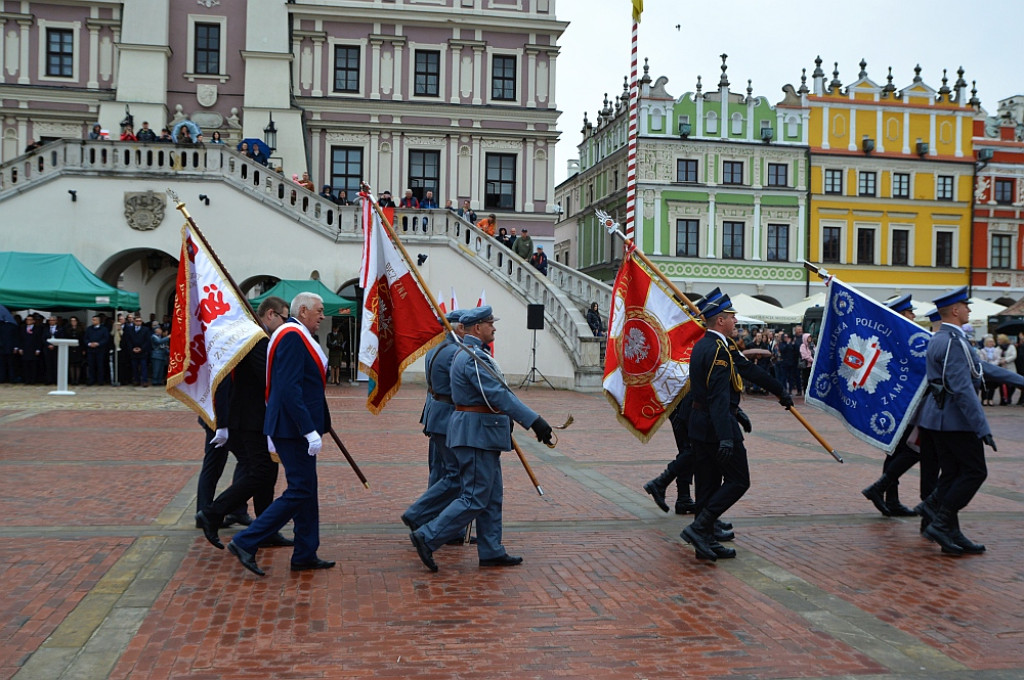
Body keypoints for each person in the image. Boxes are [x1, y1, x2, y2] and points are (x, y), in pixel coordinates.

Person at [408, 306, 553, 572]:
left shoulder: (472, 354)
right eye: (489, 323)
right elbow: (497, 395)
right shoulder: (472, 358)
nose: (494, 327)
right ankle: (428, 536)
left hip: (483, 434)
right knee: (474, 496)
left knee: (492, 495)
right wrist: (534, 421)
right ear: (477, 328)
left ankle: (491, 549)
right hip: (476, 435)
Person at [680, 291, 792, 561]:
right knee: (739, 480)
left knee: (707, 484)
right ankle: (699, 528)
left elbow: (748, 369)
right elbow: (718, 398)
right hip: (716, 426)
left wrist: (779, 391)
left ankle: (704, 540)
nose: (735, 321)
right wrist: (726, 437)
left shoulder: (712, 345)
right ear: (720, 320)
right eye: (731, 318)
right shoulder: (718, 351)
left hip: (701, 425)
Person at [227, 292, 333, 576]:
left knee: (307, 491)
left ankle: (305, 552)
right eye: (319, 311)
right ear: (303, 311)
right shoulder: (291, 337)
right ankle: (245, 541)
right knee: (300, 490)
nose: (323, 316)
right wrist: (308, 429)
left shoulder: (297, 336)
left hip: (296, 427)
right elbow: (288, 389)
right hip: (293, 429)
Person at [196, 297, 293, 552]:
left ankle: (265, 529)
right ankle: (213, 512)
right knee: (259, 471)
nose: (285, 323)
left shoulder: (254, 338)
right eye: (284, 317)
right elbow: (269, 377)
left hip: (255, 418)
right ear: (270, 314)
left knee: (267, 473)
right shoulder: (256, 340)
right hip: (250, 420)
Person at [916, 287, 998, 555]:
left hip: (938, 419)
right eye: (965, 306)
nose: (969, 311)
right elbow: (962, 388)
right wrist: (982, 427)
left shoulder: (941, 338)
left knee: (951, 474)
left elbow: (977, 370)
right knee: (975, 472)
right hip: (956, 421)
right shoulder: (953, 342)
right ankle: (939, 521)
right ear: (955, 311)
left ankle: (950, 530)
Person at [401, 310, 468, 533]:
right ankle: (424, 517)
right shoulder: (455, 352)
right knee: (453, 475)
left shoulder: (435, 348)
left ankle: (435, 521)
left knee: (439, 472)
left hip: (435, 415)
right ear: (458, 328)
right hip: (448, 417)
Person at [860, 294, 922, 517]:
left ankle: (890, 497)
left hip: (897, 404)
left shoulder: (890, 337)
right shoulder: (899, 338)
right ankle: (882, 491)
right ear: (900, 315)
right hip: (901, 405)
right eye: (909, 312)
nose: (913, 315)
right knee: (913, 450)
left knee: (897, 452)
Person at [122, 315, 152, 387]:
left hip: (143, 352)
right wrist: (132, 348)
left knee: (143, 367)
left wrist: (141, 348)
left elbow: (147, 341)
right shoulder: (130, 329)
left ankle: (144, 381)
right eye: (137, 321)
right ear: (134, 321)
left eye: (140, 321)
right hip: (133, 351)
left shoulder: (146, 329)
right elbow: (128, 340)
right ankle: (136, 380)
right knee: (134, 367)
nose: (138, 322)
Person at [84, 315, 110, 385]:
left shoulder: (104, 329)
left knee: (100, 365)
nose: (93, 321)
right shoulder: (89, 329)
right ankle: (91, 380)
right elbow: (85, 338)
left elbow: (106, 338)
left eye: (95, 320)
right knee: (91, 365)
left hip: (100, 350)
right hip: (90, 350)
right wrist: (89, 344)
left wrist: (98, 343)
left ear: (98, 321)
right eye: (92, 320)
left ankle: (100, 380)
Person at [976, 336, 1001, 406]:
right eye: (989, 342)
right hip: (985, 370)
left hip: (994, 369)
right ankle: (984, 399)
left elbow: (998, 359)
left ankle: (990, 399)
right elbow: (981, 359)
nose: (991, 343)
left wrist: (993, 364)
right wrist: (988, 365)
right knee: (984, 385)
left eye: (992, 342)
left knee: (992, 385)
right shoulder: (982, 351)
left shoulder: (996, 350)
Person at [996, 334, 1017, 404]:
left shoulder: (1011, 347)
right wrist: (1000, 360)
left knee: (1012, 384)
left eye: (999, 339)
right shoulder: (998, 348)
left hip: (1010, 367)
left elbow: (1014, 355)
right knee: (1002, 384)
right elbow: (995, 355)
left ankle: (1009, 396)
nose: (998, 341)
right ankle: (1003, 399)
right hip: (1001, 367)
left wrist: (1006, 360)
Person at [42, 315, 63, 384]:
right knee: (48, 365)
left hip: (56, 349)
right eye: (50, 320)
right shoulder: (45, 329)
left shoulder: (60, 329)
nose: (51, 322)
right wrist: (48, 345)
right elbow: (43, 338)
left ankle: (56, 380)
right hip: (48, 349)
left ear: (56, 321)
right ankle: (48, 379)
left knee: (56, 364)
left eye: (53, 320)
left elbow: (61, 337)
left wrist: (55, 344)